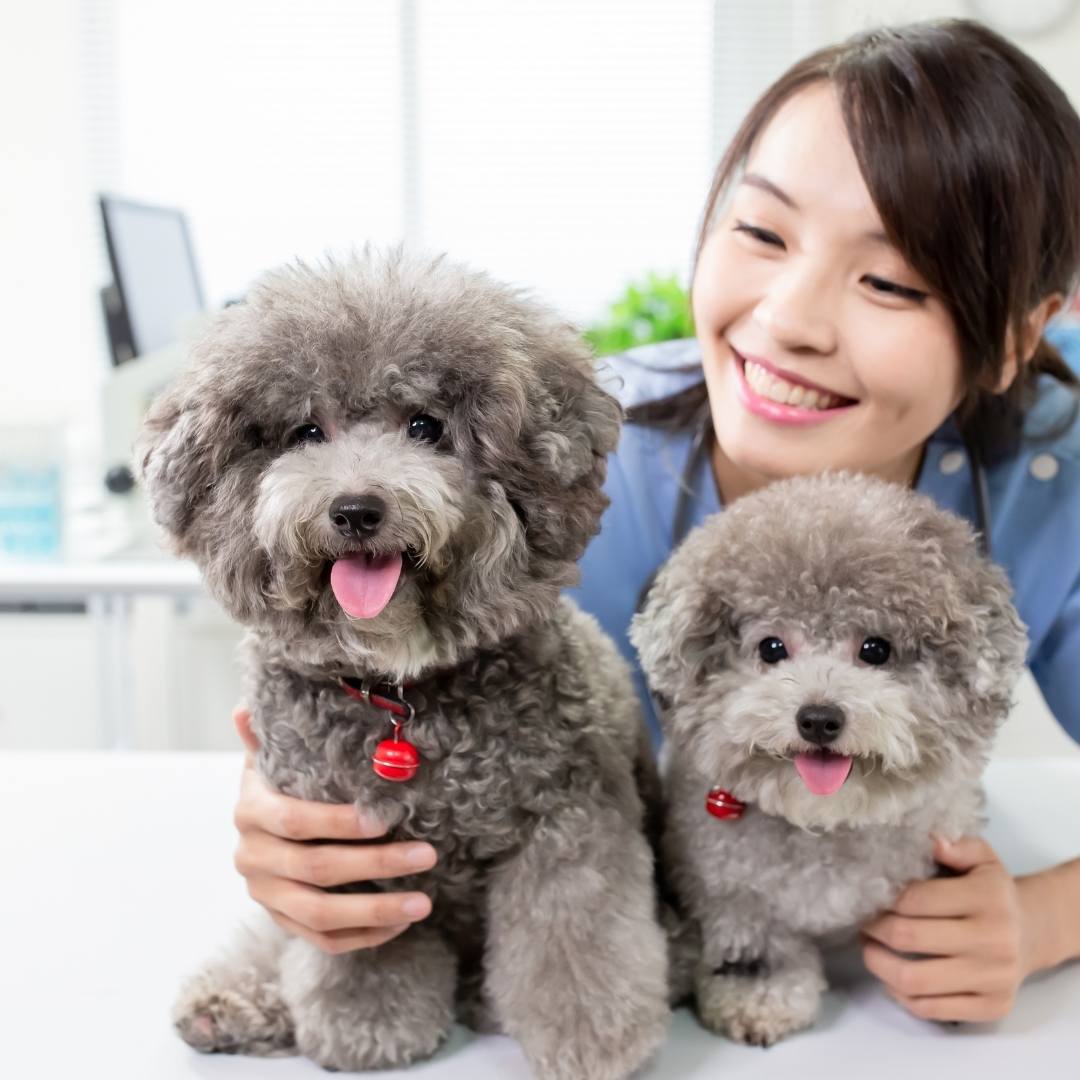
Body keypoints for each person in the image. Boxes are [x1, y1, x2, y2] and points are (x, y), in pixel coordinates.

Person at [229, 18, 1080, 1024]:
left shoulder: (1048, 481)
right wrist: (287, 821)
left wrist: (1044, 918)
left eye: (888, 281)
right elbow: (400, 700)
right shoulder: (572, 459)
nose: (788, 320)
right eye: (762, 234)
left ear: (1018, 337)